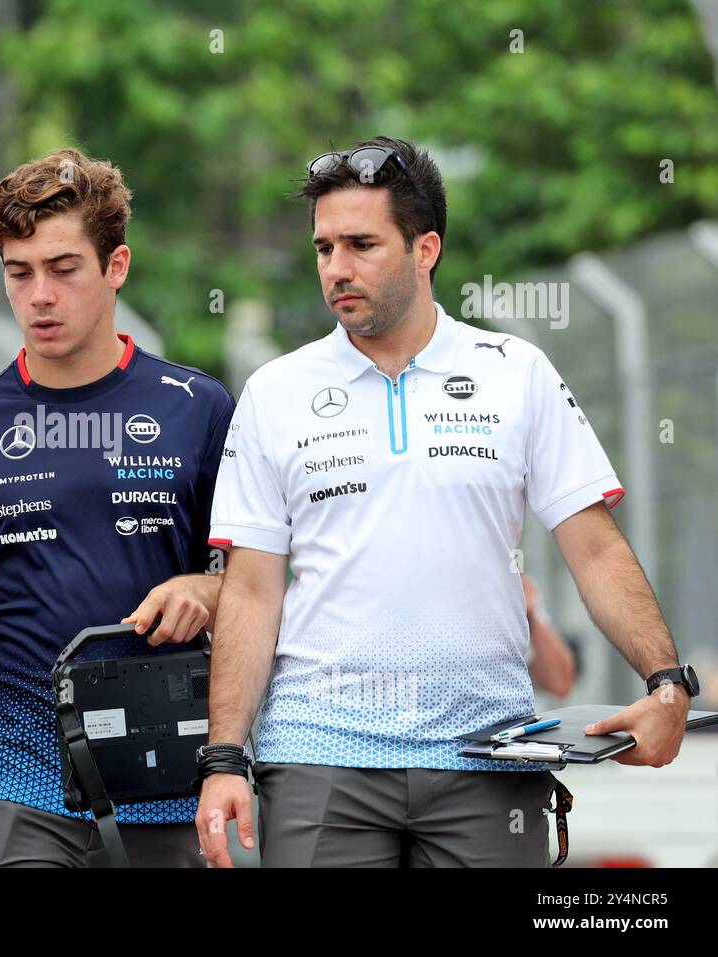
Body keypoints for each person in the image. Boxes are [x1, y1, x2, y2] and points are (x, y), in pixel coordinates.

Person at [197, 136, 697, 868]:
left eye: (361, 244)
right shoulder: (275, 391)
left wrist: (665, 681)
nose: (336, 268)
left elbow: (594, 546)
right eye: (323, 247)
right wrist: (223, 759)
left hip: (486, 755)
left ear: (425, 248)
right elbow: (249, 588)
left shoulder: (515, 372)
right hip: (317, 754)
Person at [0, 148, 235, 867]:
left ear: (115, 267)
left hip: (169, 768)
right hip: (15, 772)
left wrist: (204, 587)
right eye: (18, 273)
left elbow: (263, 581)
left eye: (63, 269)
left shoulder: (198, 408)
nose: (39, 296)